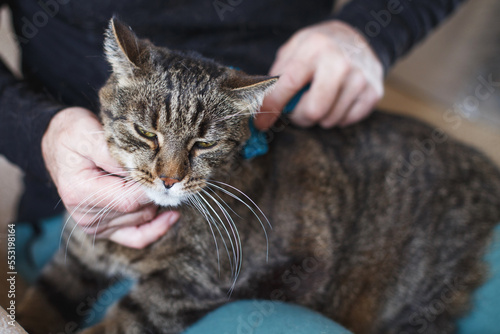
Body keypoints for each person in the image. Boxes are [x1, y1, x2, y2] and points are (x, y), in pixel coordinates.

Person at [0, 0, 464, 248]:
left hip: (285, 157)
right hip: (76, 207)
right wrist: (39, 133)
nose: (169, 174)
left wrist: (371, 28)